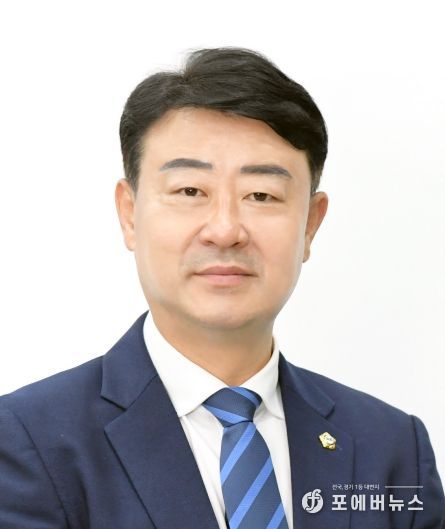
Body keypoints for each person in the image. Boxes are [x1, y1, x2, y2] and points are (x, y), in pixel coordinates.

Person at [0, 47, 443, 529]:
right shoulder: (28, 441)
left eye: (261, 195)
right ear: (129, 214)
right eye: (190, 191)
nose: (226, 230)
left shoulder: (392, 448)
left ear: (310, 225)